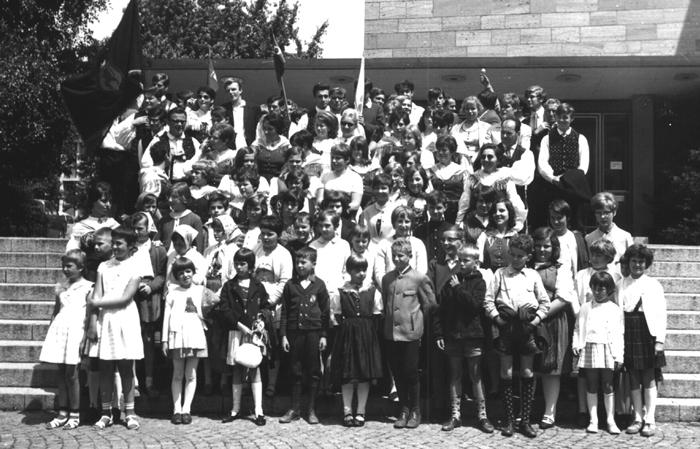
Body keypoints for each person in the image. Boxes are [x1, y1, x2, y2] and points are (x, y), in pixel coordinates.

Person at [484, 234, 550, 438]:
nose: (515, 259)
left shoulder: (533, 276)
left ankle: (526, 420)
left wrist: (534, 322)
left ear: (528, 256)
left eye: (520, 256)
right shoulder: (500, 274)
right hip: (506, 327)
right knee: (507, 372)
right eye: (512, 254)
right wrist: (498, 319)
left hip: (527, 328)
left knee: (528, 372)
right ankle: (509, 420)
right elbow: (488, 301)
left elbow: (545, 302)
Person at [90, 226, 151, 431]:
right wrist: (96, 309)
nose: (115, 247)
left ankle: (130, 412)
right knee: (106, 369)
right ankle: (106, 412)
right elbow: (98, 292)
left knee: (126, 368)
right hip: (106, 320)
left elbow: (125, 298)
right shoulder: (103, 266)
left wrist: (96, 303)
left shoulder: (135, 267)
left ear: (130, 246)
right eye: (113, 242)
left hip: (125, 319)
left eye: (119, 243)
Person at [436, 243, 494, 433]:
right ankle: (455, 415)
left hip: (473, 336)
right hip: (453, 336)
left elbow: (474, 305)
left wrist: (459, 288)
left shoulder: (479, 282)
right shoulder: (451, 280)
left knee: (476, 375)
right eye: (460, 260)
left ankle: (483, 416)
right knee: (455, 375)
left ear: (475, 263)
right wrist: (439, 333)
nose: (461, 263)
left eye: (466, 260)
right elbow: (441, 309)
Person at [381, 238, 438, 429]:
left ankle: (415, 409)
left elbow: (430, 305)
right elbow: (386, 301)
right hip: (391, 334)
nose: (397, 259)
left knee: (410, 372)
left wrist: (417, 324)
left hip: (410, 334)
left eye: (401, 256)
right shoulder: (387, 278)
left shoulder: (419, 278)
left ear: (410, 256)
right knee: (397, 372)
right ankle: (403, 409)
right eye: (394, 256)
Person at [529, 227, 577, 430]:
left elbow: (564, 298)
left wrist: (541, 315)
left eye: (546, 246)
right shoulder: (525, 264)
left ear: (554, 247)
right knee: (529, 366)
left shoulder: (561, 267)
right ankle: (526, 410)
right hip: (528, 321)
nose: (542, 249)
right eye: (538, 245)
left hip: (552, 319)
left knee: (550, 368)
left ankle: (549, 412)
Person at [618, 244, 667, 438]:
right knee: (633, 378)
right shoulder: (622, 284)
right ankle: (637, 417)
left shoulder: (653, 284)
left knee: (648, 377)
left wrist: (660, 341)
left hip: (647, 333)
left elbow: (661, 313)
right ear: (628, 263)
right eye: (634, 261)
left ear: (646, 264)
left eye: (641, 261)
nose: (637, 265)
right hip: (628, 332)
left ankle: (650, 419)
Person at [40, 249, 93, 430]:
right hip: (60, 331)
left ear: (81, 268)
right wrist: (50, 333)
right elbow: (56, 313)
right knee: (61, 373)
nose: (65, 269)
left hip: (76, 332)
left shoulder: (88, 287)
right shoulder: (61, 287)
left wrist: (86, 336)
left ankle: (75, 414)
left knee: (72, 374)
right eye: (64, 265)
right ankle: (62, 413)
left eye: (69, 266)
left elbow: (89, 315)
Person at [279, 247, 331, 424]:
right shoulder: (290, 285)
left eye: (304, 262)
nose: (299, 265)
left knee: (314, 371)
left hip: (313, 334)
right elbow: (285, 311)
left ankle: (311, 409)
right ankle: (294, 408)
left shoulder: (319, 285)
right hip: (294, 334)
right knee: (295, 370)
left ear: (313, 264)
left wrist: (323, 335)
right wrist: (284, 335)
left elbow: (325, 313)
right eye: (297, 262)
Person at [219, 248, 271, 426]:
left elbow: (266, 306)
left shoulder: (258, 286)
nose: (238, 267)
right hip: (236, 331)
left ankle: (258, 410)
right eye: (236, 263)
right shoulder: (229, 286)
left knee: (254, 367)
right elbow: (224, 309)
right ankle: (235, 409)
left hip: (254, 334)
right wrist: (239, 326)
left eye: (242, 263)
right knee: (236, 369)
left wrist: (261, 320)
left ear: (250, 266)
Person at [331, 255, 383, 427]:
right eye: (357, 270)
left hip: (367, 334)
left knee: (363, 375)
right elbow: (336, 315)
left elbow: (377, 314)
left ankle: (361, 411)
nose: (361, 274)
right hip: (347, 335)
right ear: (349, 271)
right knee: (347, 374)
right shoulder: (341, 291)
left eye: (364, 270)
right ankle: (347, 411)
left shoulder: (372, 291)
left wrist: (369, 335)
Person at [161, 258, 215, 425]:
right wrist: (164, 340)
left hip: (195, 334)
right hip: (177, 335)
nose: (185, 275)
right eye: (180, 273)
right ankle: (176, 409)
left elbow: (211, 306)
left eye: (188, 271)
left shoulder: (201, 290)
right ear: (176, 276)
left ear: (193, 272)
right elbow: (166, 317)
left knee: (191, 374)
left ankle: (187, 409)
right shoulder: (173, 292)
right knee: (177, 374)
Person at [572, 271, 624, 434]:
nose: (598, 292)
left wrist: (619, 355)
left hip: (608, 349)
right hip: (589, 348)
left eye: (602, 289)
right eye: (595, 288)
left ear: (609, 290)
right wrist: (576, 344)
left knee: (608, 385)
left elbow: (618, 333)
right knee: (592, 384)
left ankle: (610, 420)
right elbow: (578, 328)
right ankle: (593, 420)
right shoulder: (585, 307)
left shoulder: (615, 309)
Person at [536, 103, 591, 229]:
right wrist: (553, 178)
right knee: (553, 219)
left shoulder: (580, 138)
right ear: (555, 117)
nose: (562, 120)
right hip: (553, 185)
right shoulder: (547, 139)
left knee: (575, 220)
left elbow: (584, 165)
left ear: (571, 119)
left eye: (565, 117)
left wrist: (570, 178)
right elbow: (542, 163)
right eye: (559, 117)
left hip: (574, 186)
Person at [130, 213, 167, 399]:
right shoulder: (129, 248)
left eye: (141, 229)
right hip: (130, 296)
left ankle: (149, 381)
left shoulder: (158, 250)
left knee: (149, 341)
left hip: (148, 298)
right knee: (132, 338)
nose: (137, 232)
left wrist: (151, 287)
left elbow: (161, 274)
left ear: (148, 228)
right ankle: (134, 382)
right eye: (134, 228)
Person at [456, 143, 526, 228]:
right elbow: (465, 202)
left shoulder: (505, 178)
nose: (486, 160)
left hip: (498, 223)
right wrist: (458, 222)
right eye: (483, 157)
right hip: (476, 224)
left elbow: (514, 201)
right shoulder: (472, 178)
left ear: (498, 160)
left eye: (490, 157)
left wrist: (519, 222)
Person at [142, 108, 202, 183]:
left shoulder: (193, 141)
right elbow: (145, 164)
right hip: (166, 184)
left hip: (188, 185)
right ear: (168, 122)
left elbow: (201, 162)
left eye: (182, 122)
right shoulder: (158, 140)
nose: (179, 124)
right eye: (176, 121)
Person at [374, 206, 429, 283]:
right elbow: (379, 272)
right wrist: (388, 288)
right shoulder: (384, 244)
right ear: (394, 224)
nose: (403, 225)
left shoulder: (418, 244)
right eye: (400, 221)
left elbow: (421, 271)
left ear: (411, 223)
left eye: (407, 221)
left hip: (412, 289)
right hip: (389, 287)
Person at [66, 182, 120, 251]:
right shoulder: (81, 226)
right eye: (104, 201)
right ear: (93, 201)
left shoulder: (114, 225)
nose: (108, 204)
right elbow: (72, 249)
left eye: (110, 201)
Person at [427, 135, 468, 223]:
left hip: (456, 214)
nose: (441, 153)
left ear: (452, 152)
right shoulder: (432, 170)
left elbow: (465, 196)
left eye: (444, 150)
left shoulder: (461, 171)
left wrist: (459, 219)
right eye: (439, 150)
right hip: (437, 213)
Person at [585, 192, 633, 265]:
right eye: (599, 213)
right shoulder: (589, 238)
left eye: (606, 213)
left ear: (614, 213)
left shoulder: (625, 237)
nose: (603, 217)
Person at [157, 183, 205, 253]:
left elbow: (199, 247)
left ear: (184, 199)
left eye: (174, 197)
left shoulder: (194, 219)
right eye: (169, 196)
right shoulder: (164, 220)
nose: (170, 200)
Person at [476, 195, 519, 271]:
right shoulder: (484, 236)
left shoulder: (515, 237)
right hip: (489, 279)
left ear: (509, 213)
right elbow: (478, 263)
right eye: (495, 211)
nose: (498, 214)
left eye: (502, 210)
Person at [320, 143, 364, 216]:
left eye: (338, 158)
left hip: (347, 217)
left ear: (347, 160)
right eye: (332, 157)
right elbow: (320, 199)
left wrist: (339, 211)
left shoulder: (355, 178)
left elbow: (355, 203)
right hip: (327, 216)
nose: (334, 161)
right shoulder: (325, 176)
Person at [451, 96, 492, 168]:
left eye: (473, 108)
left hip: (480, 165)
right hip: (460, 165)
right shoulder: (455, 128)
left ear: (478, 109)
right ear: (463, 110)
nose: (470, 111)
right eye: (467, 109)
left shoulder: (486, 127)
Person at [359, 173, 399, 244]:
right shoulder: (367, 212)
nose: (380, 191)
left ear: (390, 189)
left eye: (383, 188)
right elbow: (363, 234)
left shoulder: (397, 210)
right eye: (377, 188)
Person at [252, 111, 291, 181]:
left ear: (277, 129)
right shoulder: (258, 143)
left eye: (270, 129)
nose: (266, 132)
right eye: (264, 128)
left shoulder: (285, 144)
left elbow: (289, 166)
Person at [222, 77, 258, 149]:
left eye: (233, 89)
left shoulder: (253, 108)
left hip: (249, 146)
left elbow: (258, 129)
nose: (230, 92)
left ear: (240, 90)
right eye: (228, 90)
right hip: (230, 147)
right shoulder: (224, 109)